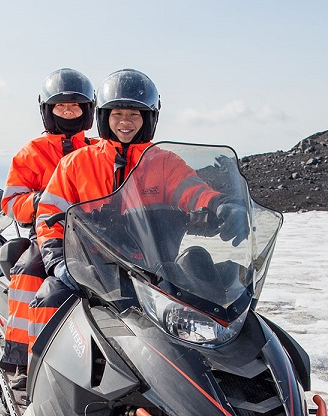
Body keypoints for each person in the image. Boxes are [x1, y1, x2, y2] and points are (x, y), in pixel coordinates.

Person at [27, 68, 248, 352]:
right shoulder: (76, 164)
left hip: (154, 271)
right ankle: (34, 377)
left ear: (149, 118)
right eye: (118, 114)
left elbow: (192, 190)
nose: (125, 122)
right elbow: (48, 214)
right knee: (49, 298)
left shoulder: (163, 162)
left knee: (215, 293)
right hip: (92, 270)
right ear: (105, 117)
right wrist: (59, 260)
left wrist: (220, 205)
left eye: (135, 114)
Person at [0, 68, 96, 383]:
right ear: (48, 111)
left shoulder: (96, 150)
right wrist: (38, 201)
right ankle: (21, 360)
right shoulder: (31, 153)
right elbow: (11, 203)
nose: (68, 112)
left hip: (97, 236)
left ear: (88, 110)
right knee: (28, 273)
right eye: (61, 107)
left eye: (75, 106)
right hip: (47, 235)